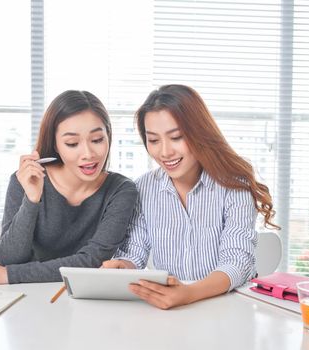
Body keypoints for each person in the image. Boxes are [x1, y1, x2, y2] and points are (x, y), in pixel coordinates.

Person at [103, 84, 279, 309]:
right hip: (170, 309)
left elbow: (237, 263)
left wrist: (188, 293)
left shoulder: (234, 187)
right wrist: (123, 267)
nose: (165, 152)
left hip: (228, 309)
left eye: (176, 137)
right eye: (154, 140)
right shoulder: (143, 188)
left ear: (199, 133)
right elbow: (136, 253)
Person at [0, 90, 138, 284]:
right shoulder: (26, 179)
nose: (88, 154)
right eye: (72, 143)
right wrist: (31, 200)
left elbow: (92, 261)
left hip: (87, 298)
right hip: (27, 297)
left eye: (97, 140)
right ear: (56, 144)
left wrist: (9, 275)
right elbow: (6, 259)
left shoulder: (121, 190)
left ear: (108, 136)